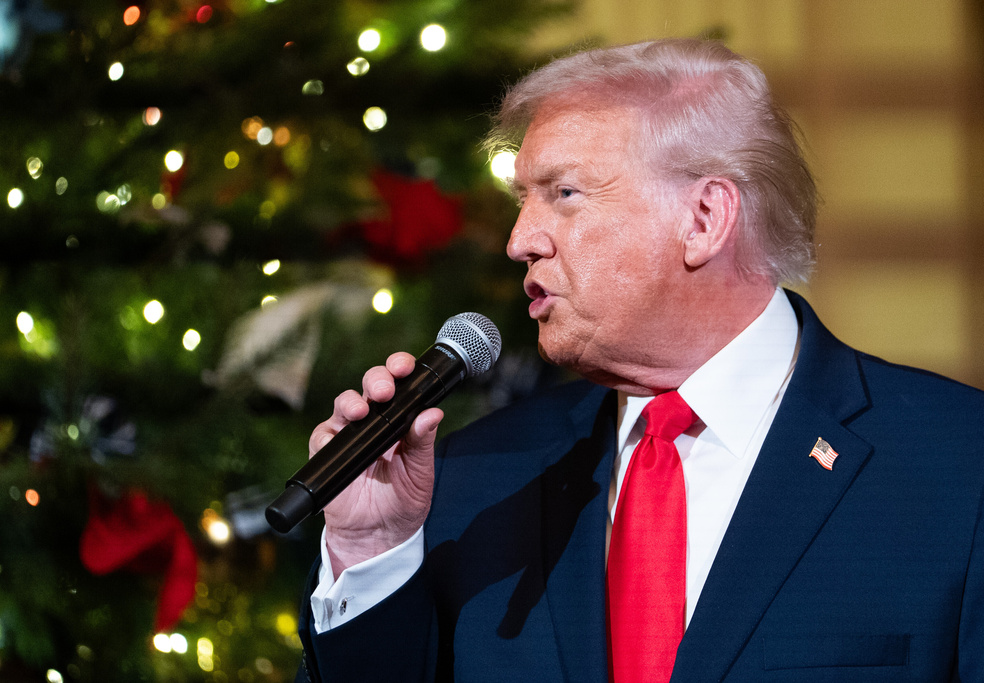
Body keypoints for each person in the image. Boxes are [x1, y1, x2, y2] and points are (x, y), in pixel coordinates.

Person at [294, 38, 984, 682]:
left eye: (563, 194)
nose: (518, 241)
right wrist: (373, 554)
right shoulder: (472, 481)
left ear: (705, 218)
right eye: (520, 201)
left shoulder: (959, 464)